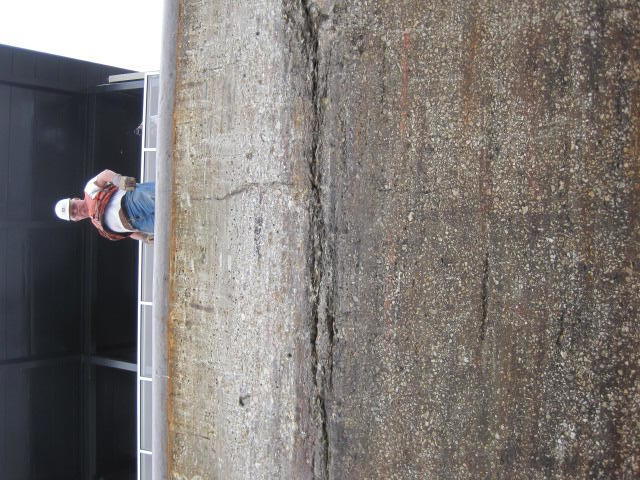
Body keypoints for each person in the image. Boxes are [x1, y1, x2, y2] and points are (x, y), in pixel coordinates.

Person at [54, 169, 155, 243]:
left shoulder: (89, 190)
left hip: (132, 201)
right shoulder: (98, 225)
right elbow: (128, 233)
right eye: (73, 214)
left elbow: (104, 175)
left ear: (76, 199)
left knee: (159, 197)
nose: (76, 211)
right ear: (76, 220)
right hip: (140, 225)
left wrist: (119, 180)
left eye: (73, 206)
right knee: (163, 223)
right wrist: (143, 237)